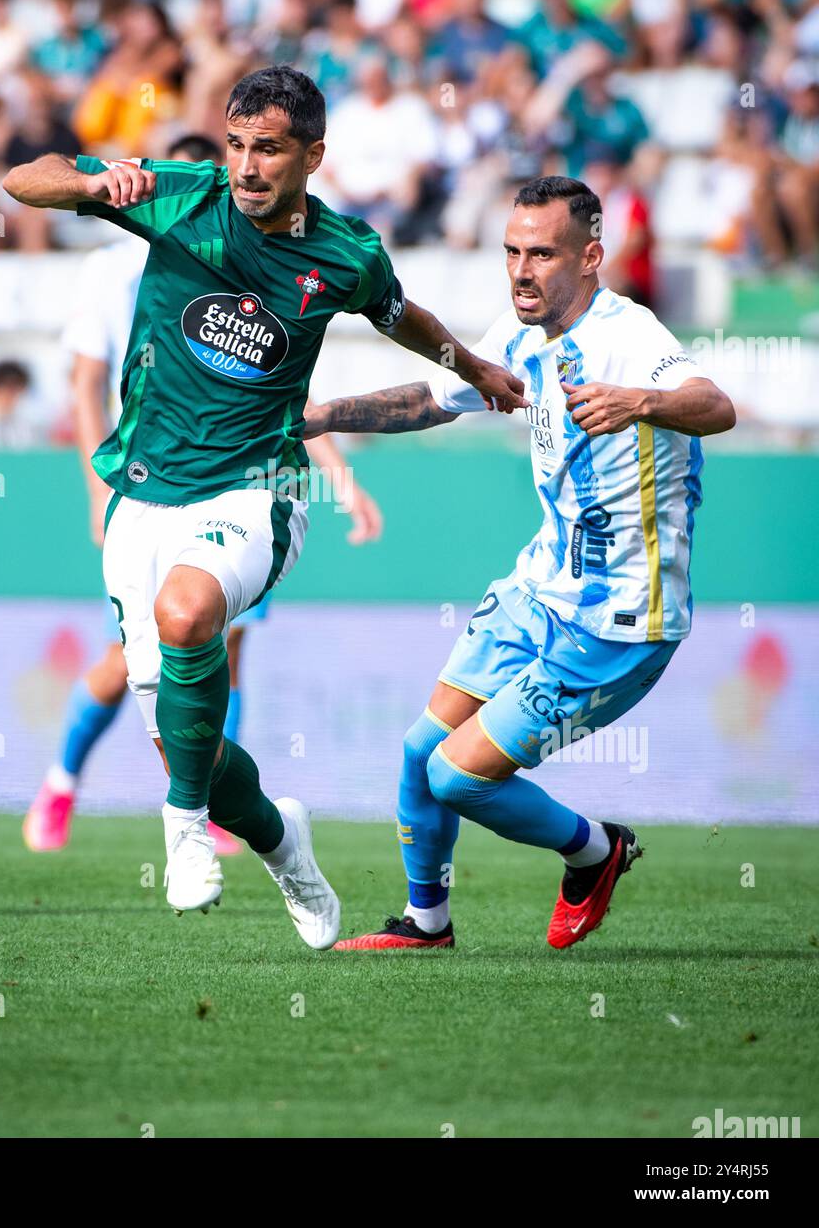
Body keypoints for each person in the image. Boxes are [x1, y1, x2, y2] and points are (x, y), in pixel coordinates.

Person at [3, 64, 524, 949]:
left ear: (313, 156)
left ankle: (180, 836)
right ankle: (286, 847)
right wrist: (95, 182)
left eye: (269, 150)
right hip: (141, 495)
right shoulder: (176, 196)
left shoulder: (345, 254)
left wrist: (472, 368)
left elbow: (402, 315)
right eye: (238, 145)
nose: (246, 168)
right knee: (188, 746)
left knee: (188, 612)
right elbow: (23, 179)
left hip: (261, 488)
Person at [303, 175, 736, 953]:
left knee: (457, 776)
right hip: (540, 589)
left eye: (542, 253)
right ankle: (427, 924)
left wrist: (639, 401)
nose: (521, 269)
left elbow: (717, 406)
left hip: (620, 619)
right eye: (512, 251)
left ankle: (596, 852)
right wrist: (326, 415)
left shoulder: (629, 334)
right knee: (416, 751)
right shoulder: (517, 334)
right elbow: (435, 399)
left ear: (592, 256)